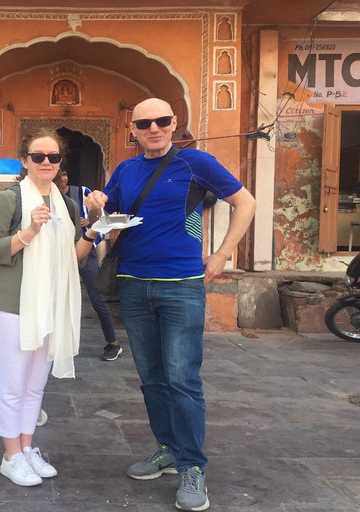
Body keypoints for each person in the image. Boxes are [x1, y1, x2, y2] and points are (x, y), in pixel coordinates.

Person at [84, 98, 256, 511]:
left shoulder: (197, 162)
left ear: (174, 123)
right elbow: (113, 217)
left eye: (161, 121)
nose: (154, 128)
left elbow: (245, 202)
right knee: (151, 378)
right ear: (133, 129)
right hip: (133, 284)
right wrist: (98, 208)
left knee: (182, 379)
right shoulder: (126, 169)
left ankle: (193, 465)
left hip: (181, 284)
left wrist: (221, 253)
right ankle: (167, 449)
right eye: (145, 123)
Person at [0, 127, 99, 487]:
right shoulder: (10, 199)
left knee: (35, 387)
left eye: (53, 157)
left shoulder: (67, 204)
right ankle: (10, 455)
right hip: (12, 304)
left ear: (61, 163)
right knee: (14, 385)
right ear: (25, 161)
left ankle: (27, 448)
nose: (46, 162)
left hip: (49, 304)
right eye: (38, 156)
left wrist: (93, 231)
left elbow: (74, 257)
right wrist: (28, 232)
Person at [54, 169, 122, 361]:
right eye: (61, 176)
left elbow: (99, 219)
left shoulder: (82, 191)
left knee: (97, 297)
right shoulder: (48, 195)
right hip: (58, 253)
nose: (64, 178)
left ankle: (113, 343)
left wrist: (87, 223)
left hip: (84, 250)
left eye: (66, 174)